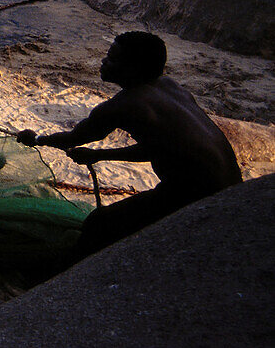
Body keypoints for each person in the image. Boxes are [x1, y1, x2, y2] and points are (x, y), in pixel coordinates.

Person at [16, 32, 241, 260]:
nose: (104, 62)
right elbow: (162, 148)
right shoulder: (170, 86)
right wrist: (99, 155)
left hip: (197, 193)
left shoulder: (125, 105)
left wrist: (36, 140)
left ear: (133, 69)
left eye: (112, 59)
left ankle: (71, 276)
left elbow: (74, 138)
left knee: (100, 223)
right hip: (232, 185)